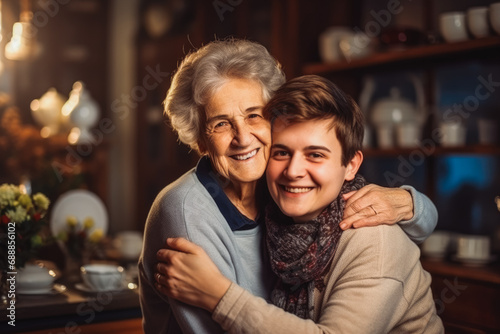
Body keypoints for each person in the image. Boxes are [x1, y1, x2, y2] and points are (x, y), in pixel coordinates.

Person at [139, 39, 438, 334]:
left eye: (254, 115)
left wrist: (411, 204)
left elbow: (396, 241)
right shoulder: (187, 212)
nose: (243, 137)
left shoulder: (287, 199)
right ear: (201, 141)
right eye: (221, 123)